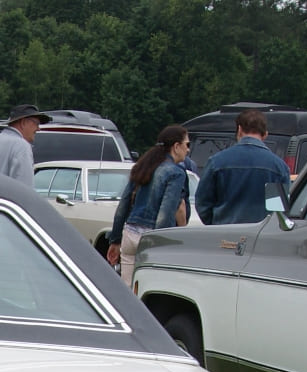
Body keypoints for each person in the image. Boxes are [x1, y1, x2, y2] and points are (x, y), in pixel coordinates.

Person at [107, 125, 192, 287]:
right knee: (149, 290)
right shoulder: (176, 173)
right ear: (176, 146)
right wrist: (161, 244)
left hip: (130, 232)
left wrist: (115, 239)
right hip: (152, 237)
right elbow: (166, 212)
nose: (188, 150)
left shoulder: (142, 167)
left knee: (127, 289)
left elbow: (123, 205)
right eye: (187, 144)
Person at [194, 108, 291, 225]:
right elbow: (278, 210)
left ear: (239, 130)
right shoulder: (279, 167)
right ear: (265, 134)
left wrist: (215, 224)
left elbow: (203, 203)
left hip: (224, 233)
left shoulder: (217, 162)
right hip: (260, 236)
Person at [0, 104, 50, 188]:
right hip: (6, 200)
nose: (38, 128)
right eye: (36, 123)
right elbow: (25, 188)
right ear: (23, 122)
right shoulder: (21, 146)